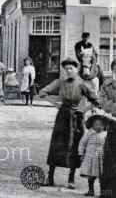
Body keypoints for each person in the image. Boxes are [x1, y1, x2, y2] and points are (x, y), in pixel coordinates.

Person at [39, 57, 99, 189]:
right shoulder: (60, 82)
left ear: (76, 69)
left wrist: (84, 109)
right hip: (62, 117)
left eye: (71, 68)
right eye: (66, 69)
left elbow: (96, 100)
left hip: (76, 119)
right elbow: (42, 92)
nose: (69, 71)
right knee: (56, 145)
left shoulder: (82, 84)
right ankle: (50, 178)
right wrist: (54, 103)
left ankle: (71, 179)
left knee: (74, 146)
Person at [98, 60, 116, 198]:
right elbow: (103, 102)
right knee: (110, 157)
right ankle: (108, 192)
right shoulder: (107, 86)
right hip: (113, 125)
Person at [78, 115, 107, 197]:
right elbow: (82, 143)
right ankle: (91, 190)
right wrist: (81, 153)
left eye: (101, 124)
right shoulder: (90, 133)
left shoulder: (105, 134)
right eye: (96, 124)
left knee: (101, 175)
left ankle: (103, 192)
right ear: (92, 125)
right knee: (91, 175)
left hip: (101, 157)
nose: (98, 126)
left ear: (104, 125)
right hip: (90, 156)